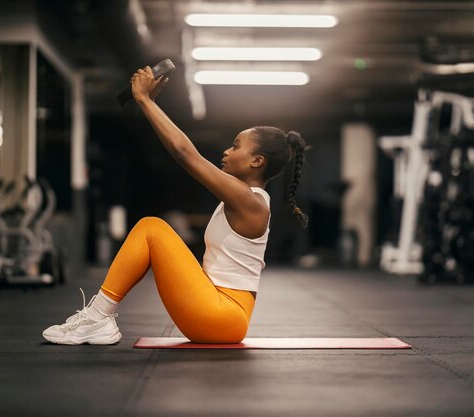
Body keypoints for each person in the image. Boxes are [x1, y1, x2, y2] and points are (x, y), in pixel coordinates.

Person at [43, 66, 309, 345]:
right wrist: (150, 103)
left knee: (151, 228)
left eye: (235, 146)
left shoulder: (252, 202)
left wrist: (144, 100)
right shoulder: (244, 199)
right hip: (215, 308)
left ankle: (97, 317)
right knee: (153, 229)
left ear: (257, 161)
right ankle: (97, 318)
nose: (226, 151)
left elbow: (185, 154)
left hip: (223, 316)